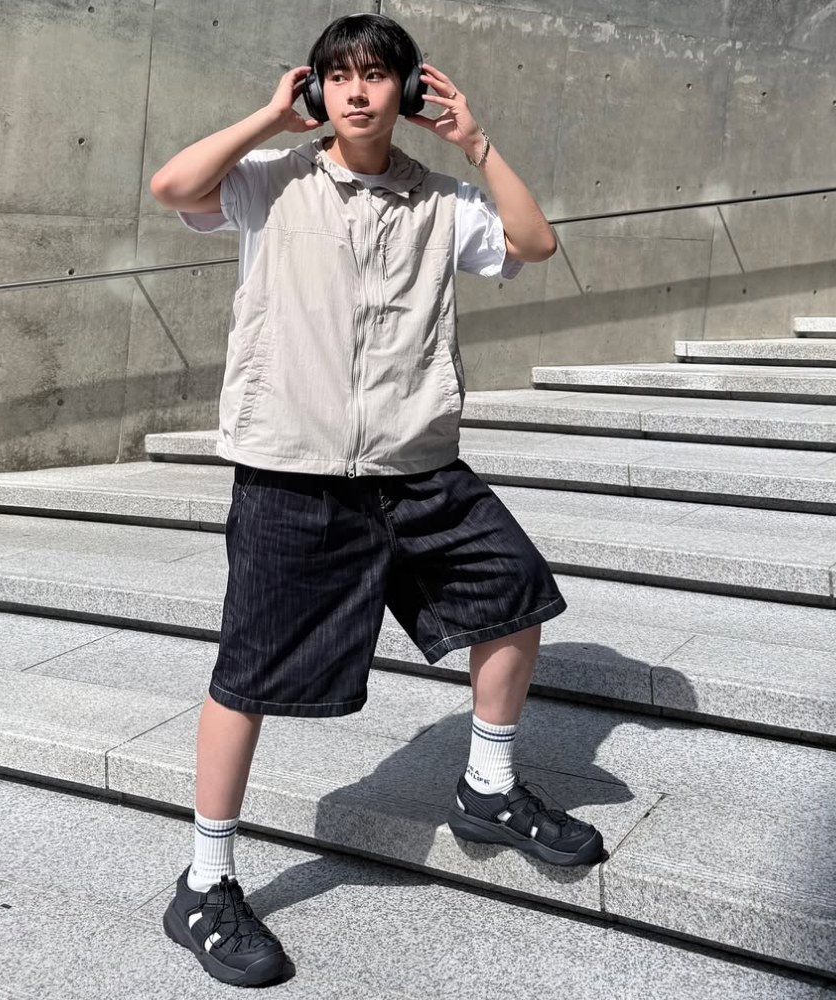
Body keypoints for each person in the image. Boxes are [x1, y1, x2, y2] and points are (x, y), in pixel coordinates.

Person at [149, 13, 603, 988]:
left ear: (408, 90)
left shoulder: (442, 201)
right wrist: (268, 118)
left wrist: (476, 144)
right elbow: (172, 188)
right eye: (338, 76)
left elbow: (534, 241)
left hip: (415, 465)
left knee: (515, 596)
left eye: (376, 75)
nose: (357, 91)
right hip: (293, 470)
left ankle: (487, 786)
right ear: (317, 88)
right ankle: (204, 881)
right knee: (246, 675)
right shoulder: (271, 182)